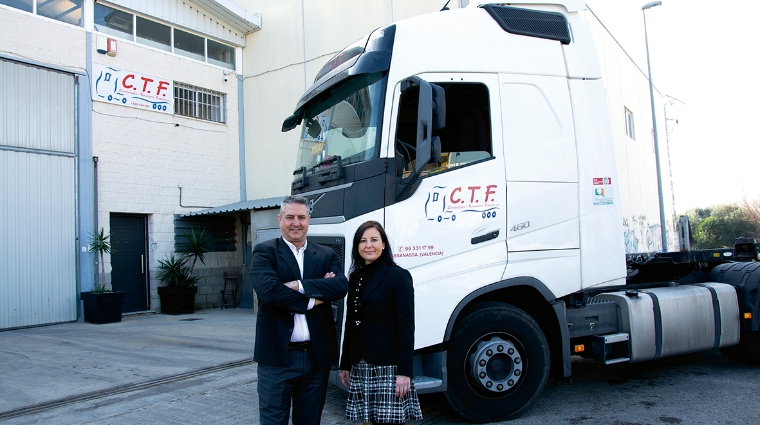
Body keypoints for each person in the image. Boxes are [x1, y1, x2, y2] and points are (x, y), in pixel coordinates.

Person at [250, 195, 348, 425]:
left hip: (316, 358)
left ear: (308, 220)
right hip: (277, 359)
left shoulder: (326, 254)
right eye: (290, 217)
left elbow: (340, 286)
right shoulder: (265, 252)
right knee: (273, 421)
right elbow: (269, 293)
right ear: (280, 219)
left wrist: (298, 285)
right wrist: (314, 299)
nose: (296, 223)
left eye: (301, 217)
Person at [339, 221, 423, 424]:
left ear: (384, 244)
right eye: (363, 241)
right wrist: (345, 364)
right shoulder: (355, 277)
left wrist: (405, 372)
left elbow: (406, 326)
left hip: (388, 366)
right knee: (366, 421)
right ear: (357, 247)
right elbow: (351, 322)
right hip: (360, 363)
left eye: (374, 240)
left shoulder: (398, 276)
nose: (368, 245)